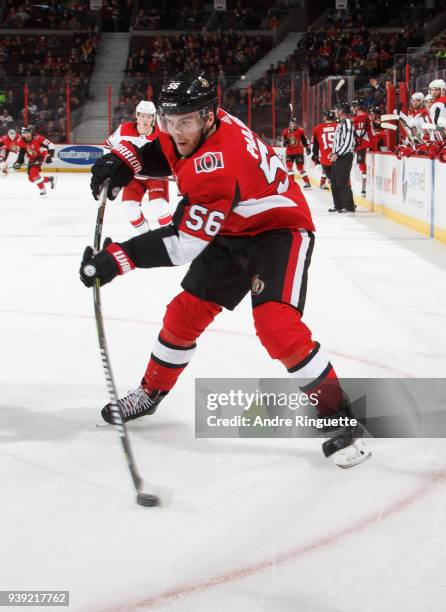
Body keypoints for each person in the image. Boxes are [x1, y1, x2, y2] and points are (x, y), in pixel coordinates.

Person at [80, 73, 370, 469]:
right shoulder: (193, 122)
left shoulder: (220, 162)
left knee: (276, 325)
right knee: (183, 315)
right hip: (230, 227)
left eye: (187, 122)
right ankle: (151, 392)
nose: (178, 130)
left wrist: (116, 259)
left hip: (277, 232)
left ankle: (340, 416)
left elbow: (183, 243)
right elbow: (165, 152)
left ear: (209, 117)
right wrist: (124, 164)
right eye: (172, 120)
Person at [104, 100, 172, 234]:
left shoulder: (162, 133)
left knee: (158, 206)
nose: (145, 119)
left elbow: (175, 152)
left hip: (156, 175)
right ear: (137, 115)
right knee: (129, 208)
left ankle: (172, 236)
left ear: (154, 118)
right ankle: (147, 236)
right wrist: (108, 167)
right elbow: (108, 146)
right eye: (142, 115)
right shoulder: (124, 130)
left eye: (149, 116)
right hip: (133, 175)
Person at [329, 102, 356, 213]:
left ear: (341, 111)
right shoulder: (341, 123)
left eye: (336, 109)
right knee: (334, 181)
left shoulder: (348, 123)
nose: (335, 112)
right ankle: (339, 205)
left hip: (344, 156)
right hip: (339, 155)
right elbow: (339, 141)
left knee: (342, 181)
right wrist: (333, 152)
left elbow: (348, 141)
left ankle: (349, 206)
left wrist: (338, 153)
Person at [13, 126, 55, 195]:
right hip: (32, 158)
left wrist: (49, 156)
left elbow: (51, 145)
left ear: (30, 132)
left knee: (33, 171)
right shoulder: (21, 140)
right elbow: (21, 153)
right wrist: (18, 163)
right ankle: (49, 179)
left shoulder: (38, 138)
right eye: (24, 133)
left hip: (41, 156)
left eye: (27, 133)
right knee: (31, 179)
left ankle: (43, 190)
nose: (26, 135)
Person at [281, 118, 311, 189]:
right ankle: (292, 184)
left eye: (295, 123)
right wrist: (285, 142)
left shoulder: (300, 131)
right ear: (290, 124)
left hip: (298, 151)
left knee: (300, 167)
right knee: (289, 166)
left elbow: (305, 140)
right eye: (292, 123)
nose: (294, 125)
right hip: (289, 152)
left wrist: (307, 147)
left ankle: (307, 182)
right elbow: (282, 143)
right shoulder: (285, 132)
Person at [351, 99, 373, 196]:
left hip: (363, 145)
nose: (352, 108)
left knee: (361, 164)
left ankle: (364, 189)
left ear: (357, 107)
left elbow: (360, 133)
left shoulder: (361, 118)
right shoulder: (362, 117)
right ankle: (363, 188)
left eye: (353, 106)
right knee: (360, 165)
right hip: (362, 145)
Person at [311, 110, 337, 190]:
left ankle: (325, 183)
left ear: (325, 117)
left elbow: (315, 145)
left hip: (324, 160)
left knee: (332, 180)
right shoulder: (338, 126)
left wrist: (315, 155)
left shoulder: (317, 128)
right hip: (337, 158)